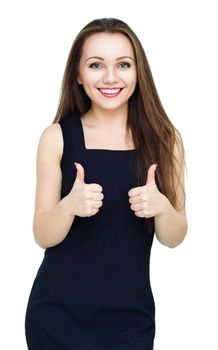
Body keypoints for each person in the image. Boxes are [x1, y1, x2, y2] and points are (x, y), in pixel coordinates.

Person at [24, 17, 188, 350]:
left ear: (138, 72)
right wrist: (69, 207)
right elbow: (42, 233)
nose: (110, 77)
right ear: (78, 75)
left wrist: (162, 208)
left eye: (123, 64)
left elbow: (174, 236)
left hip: (130, 319)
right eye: (96, 65)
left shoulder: (165, 141)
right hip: (56, 317)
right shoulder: (56, 138)